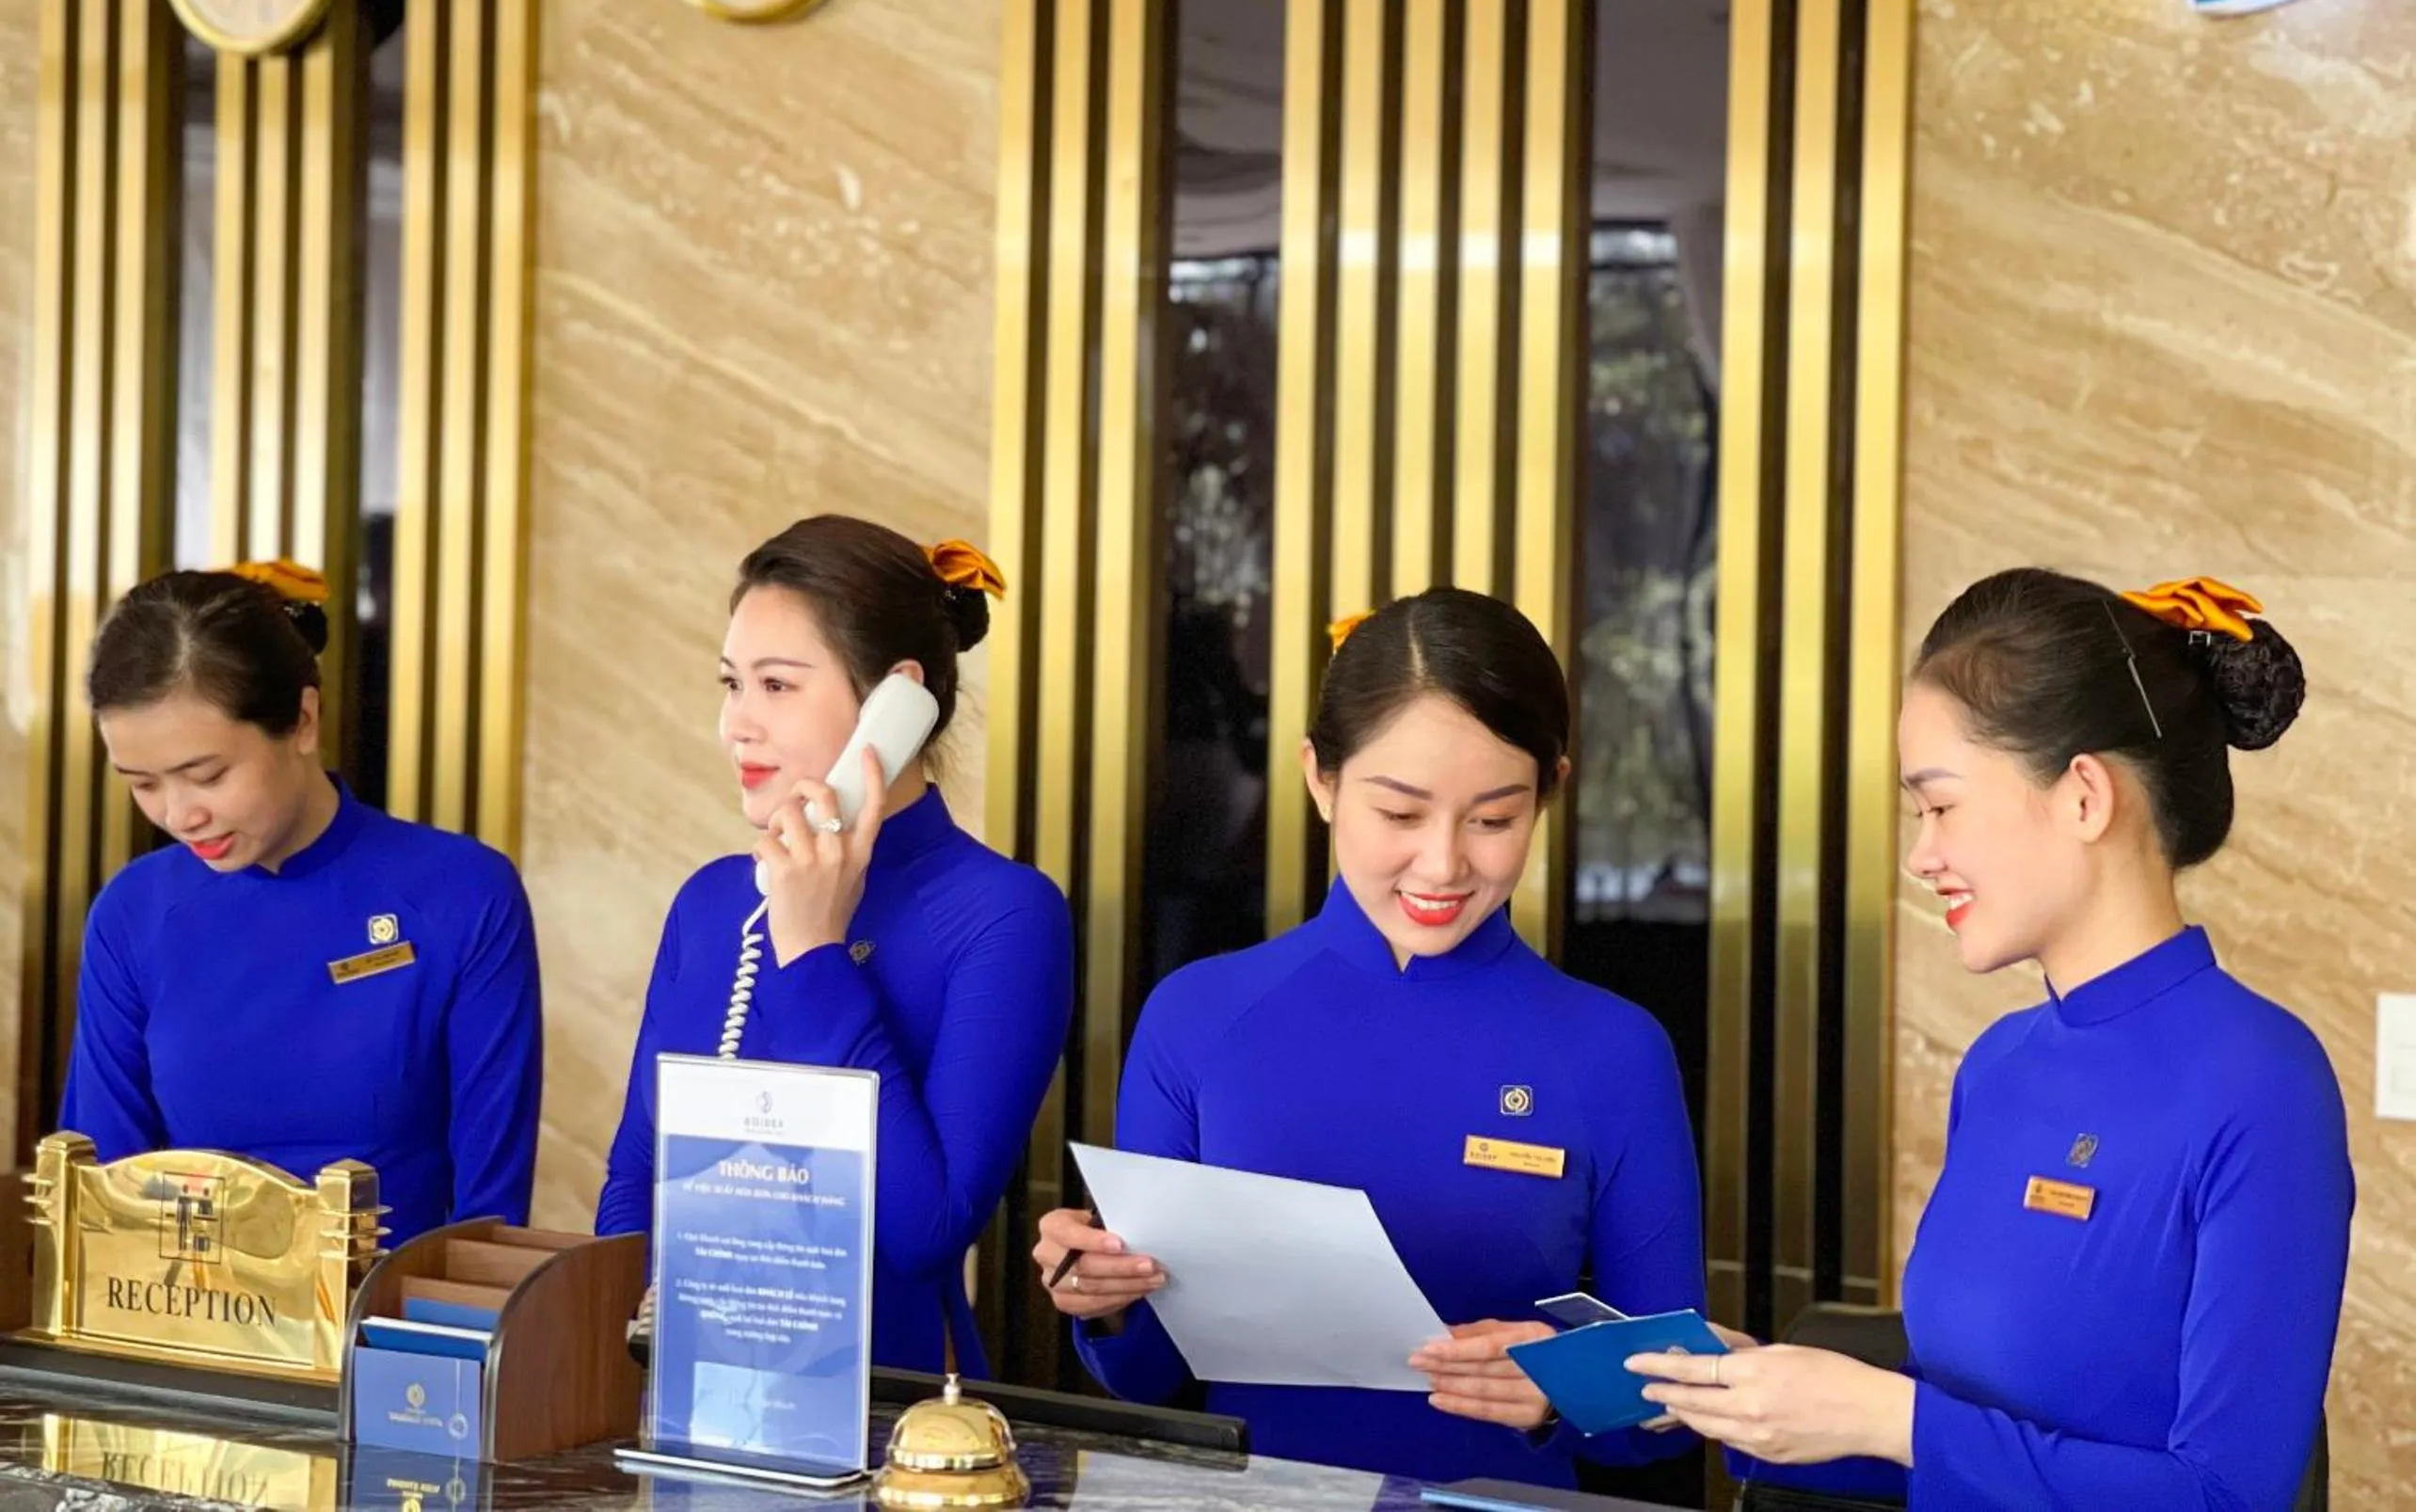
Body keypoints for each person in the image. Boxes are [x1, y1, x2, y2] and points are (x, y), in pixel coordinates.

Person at [1629, 571, 2353, 1509]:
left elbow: (2228, 1496)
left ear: (2085, 797)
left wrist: (1886, 1418)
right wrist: (1753, 1397)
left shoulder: (2265, 1088)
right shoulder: (2000, 1067)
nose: (1920, 855)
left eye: (1941, 806)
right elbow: (1964, 1447)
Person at [1034, 586, 1704, 1487]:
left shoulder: (1615, 1052)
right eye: (1400, 813)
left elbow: (1671, 1414)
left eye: (1494, 819)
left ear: (1551, 792)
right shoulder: (1198, 1019)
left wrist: (1557, 1385)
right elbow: (1149, 1375)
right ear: (1321, 779)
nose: (1443, 863)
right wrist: (1103, 1301)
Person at [597, 517, 1073, 1377]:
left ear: (894, 700)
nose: (736, 725)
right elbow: (636, 1175)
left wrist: (814, 952)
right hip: (683, 1405)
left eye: (777, 686)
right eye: (731, 683)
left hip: (895, 1425)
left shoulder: (1004, 915)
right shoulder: (713, 904)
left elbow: (923, 1232)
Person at [62, 561, 543, 1242]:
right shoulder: (133, 914)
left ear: (303, 719)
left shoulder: (462, 895)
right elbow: (102, 1196)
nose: (178, 814)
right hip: (175, 1326)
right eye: (143, 784)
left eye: (208, 775)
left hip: (384, 1334)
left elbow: (490, 1217)